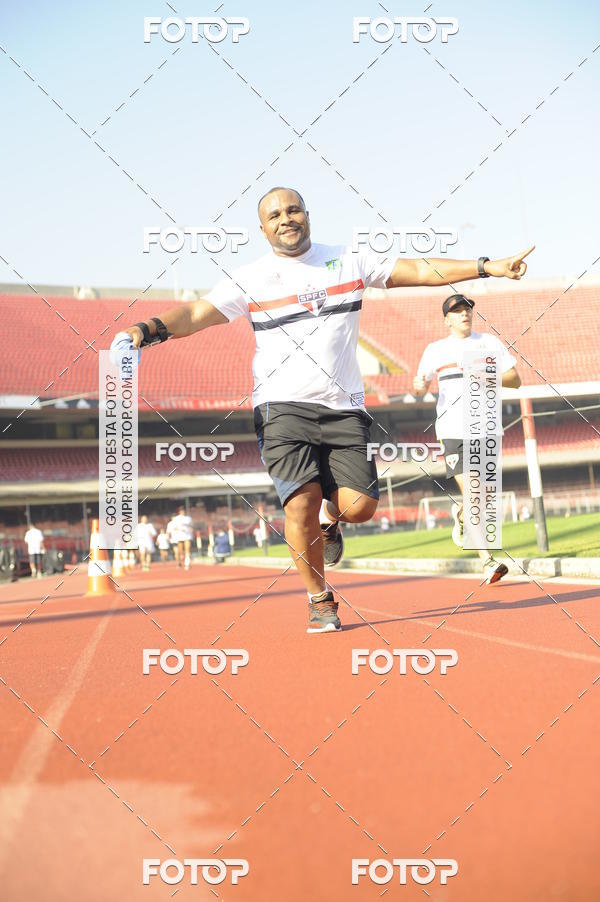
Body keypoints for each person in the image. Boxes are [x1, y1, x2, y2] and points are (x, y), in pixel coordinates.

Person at [111, 186, 534, 632]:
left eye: (293, 210)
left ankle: (333, 522)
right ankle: (319, 599)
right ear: (263, 228)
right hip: (281, 408)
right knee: (300, 504)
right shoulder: (251, 278)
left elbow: (417, 270)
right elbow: (197, 313)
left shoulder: (348, 260)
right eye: (274, 215)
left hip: (343, 408)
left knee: (361, 507)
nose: (285, 219)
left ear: (307, 215)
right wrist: (148, 329)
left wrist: (487, 267)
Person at [413, 293, 522, 584]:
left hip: (487, 429)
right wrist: (420, 385)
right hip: (452, 431)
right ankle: (487, 562)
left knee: (482, 497)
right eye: (457, 311)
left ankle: (461, 517)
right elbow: (420, 389)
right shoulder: (435, 350)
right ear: (447, 320)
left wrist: (484, 375)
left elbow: (515, 379)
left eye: (467, 309)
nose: (464, 314)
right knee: (475, 493)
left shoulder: (489, 343)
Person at [169, 505, 194, 570]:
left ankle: (187, 564)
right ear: (179, 512)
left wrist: (191, 529)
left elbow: (191, 526)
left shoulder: (188, 518)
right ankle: (182, 556)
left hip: (187, 535)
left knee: (187, 549)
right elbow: (173, 527)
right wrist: (180, 529)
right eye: (181, 511)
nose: (183, 512)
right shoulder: (177, 519)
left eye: (184, 511)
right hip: (180, 536)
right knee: (181, 551)